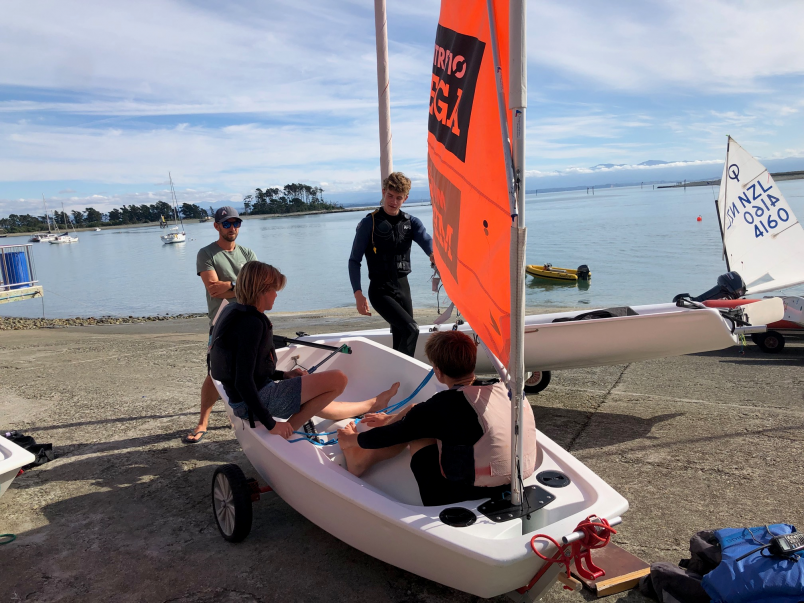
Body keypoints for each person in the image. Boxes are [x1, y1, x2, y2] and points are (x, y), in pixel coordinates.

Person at [336, 330, 538, 506]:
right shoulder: (504, 388)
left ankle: (358, 461)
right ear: (472, 364)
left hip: (456, 495)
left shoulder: (442, 406)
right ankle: (386, 421)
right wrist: (391, 420)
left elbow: (389, 437)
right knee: (417, 414)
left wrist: (351, 439)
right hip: (513, 483)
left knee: (417, 432)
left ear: (438, 373)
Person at [209, 261, 399, 437]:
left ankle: (372, 404)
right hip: (251, 401)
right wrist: (272, 425)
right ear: (262, 290)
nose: (276, 294)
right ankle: (288, 431)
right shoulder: (252, 324)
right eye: (274, 289)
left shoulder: (236, 313)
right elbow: (243, 380)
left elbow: (248, 369)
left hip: (244, 399)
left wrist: (284, 375)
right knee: (338, 379)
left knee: (316, 401)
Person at [183, 206, 255, 444]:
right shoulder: (206, 254)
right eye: (226, 223)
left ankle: (246, 412)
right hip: (222, 322)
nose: (232, 228)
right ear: (216, 226)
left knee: (252, 368)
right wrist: (242, 285)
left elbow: (260, 285)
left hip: (250, 319)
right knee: (215, 373)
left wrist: (231, 286)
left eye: (236, 223)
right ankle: (203, 421)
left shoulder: (247, 253)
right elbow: (213, 288)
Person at [348, 172, 434, 357]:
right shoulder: (368, 223)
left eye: (399, 198)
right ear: (383, 192)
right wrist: (358, 294)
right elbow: (354, 260)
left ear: (405, 198)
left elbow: (427, 241)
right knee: (412, 329)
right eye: (390, 196)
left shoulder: (411, 223)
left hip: (403, 288)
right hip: (380, 290)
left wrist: (434, 255)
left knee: (401, 335)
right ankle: (401, 377)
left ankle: (399, 381)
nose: (393, 201)